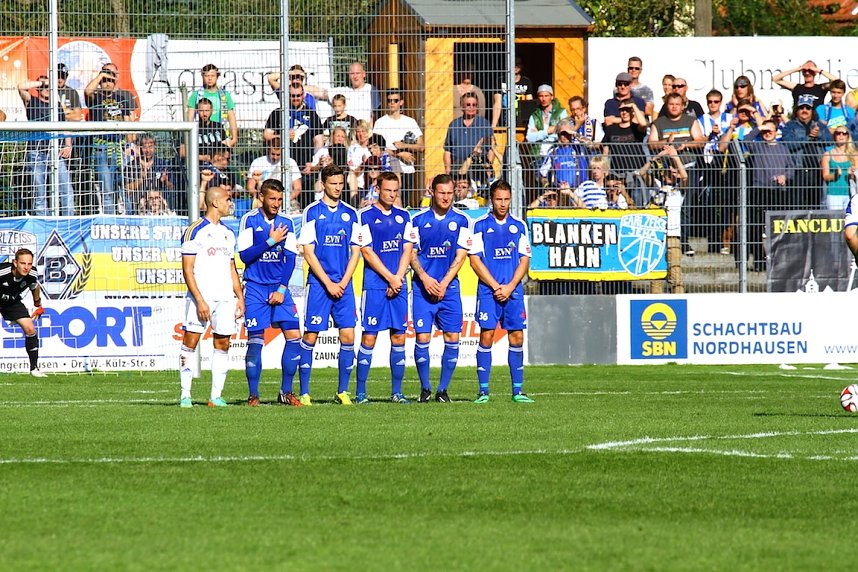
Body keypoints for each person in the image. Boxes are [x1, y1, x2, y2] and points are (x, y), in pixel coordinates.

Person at [296, 164, 361, 406]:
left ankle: (342, 391)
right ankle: (304, 392)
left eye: (341, 183)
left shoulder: (352, 214)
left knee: (348, 335)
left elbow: (356, 252)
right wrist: (328, 283)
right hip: (319, 285)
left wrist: (342, 282)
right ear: (323, 184)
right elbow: (309, 252)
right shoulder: (312, 212)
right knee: (311, 335)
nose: (337, 188)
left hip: (343, 286)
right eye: (333, 183)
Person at [237, 178, 302, 407]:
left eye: (279, 199)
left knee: (295, 337)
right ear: (261, 197)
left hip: (279, 288)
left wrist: (282, 288)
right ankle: (253, 395)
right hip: (255, 287)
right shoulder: (249, 220)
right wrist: (270, 241)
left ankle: (286, 392)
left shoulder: (287, 222)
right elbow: (244, 256)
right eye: (272, 198)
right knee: (255, 341)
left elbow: (291, 258)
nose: (276, 204)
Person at [178, 184, 245, 408]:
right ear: (215, 202)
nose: (230, 203)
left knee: (223, 343)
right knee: (190, 342)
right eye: (227, 199)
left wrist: (240, 297)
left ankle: (216, 396)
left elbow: (231, 267)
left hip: (225, 298)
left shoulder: (228, 233)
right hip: (202, 298)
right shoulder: (194, 230)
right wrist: (199, 300)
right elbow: (187, 269)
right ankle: (185, 395)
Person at [468, 179, 534, 403]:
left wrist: (509, 286)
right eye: (499, 199)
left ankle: (517, 391)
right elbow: (474, 261)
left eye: (506, 199)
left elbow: (524, 261)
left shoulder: (519, 225)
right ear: (491, 200)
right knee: (486, 335)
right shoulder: (479, 226)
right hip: (489, 291)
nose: (503, 204)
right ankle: (483, 391)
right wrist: (496, 286)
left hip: (513, 291)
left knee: (517, 336)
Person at [409, 174, 472, 402]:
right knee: (422, 337)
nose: (446, 197)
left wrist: (444, 283)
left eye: (449, 193)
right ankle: (425, 389)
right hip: (422, 288)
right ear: (431, 192)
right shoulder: (417, 220)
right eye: (441, 192)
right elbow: (411, 254)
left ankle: (443, 390)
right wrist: (425, 279)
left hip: (449, 289)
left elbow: (461, 255)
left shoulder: (463, 221)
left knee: (453, 337)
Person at [353, 172, 413, 404]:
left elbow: (407, 249)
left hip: (398, 284)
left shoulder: (404, 216)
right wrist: (390, 278)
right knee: (369, 337)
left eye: (395, 191)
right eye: (388, 190)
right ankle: (360, 393)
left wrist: (398, 278)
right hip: (375, 286)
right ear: (377, 189)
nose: (392, 194)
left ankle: (397, 392)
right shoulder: (365, 216)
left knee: (399, 337)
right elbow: (367, 251)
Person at [17, 75, 74, 216]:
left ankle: (68, 220)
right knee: (39, 191)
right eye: (44, 87)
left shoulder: (57, 106)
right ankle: (43, 222)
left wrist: (68, 145)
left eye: (50, 87)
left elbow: (64, 126)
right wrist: (42, 82)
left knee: (66, 189)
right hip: (36, 152)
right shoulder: (32, 101)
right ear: (38, 88)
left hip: (55, 152)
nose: (47, 89)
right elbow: (20, 86)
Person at [264, 82, 324, 207]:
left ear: (303, 95)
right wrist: (283, 136)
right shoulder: (278, 113)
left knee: (306, 203)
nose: (295, 98)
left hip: (304, 165)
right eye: (292, 96)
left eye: (298, 95)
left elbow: (319, 141)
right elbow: (267, 135)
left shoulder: (312, 114)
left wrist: (313, 163)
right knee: (278, 200)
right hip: (282, 164)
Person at [745, 119, 795, 270]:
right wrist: (759, 127)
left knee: (777, 227)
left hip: (778, 192)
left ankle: (778, 259)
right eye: (764, 132)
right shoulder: (758, 147)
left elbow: (791, 168)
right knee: (756, 227)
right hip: (759, 190)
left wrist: (784, 176)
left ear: (776, 132)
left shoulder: (783, 149)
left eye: (770, 131)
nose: (767, 134)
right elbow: (746, 140)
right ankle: (759, 260)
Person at [84, 66, 134, 214]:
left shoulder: (121, 98)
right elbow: (87, 91)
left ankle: (127, 218)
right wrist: (101, 76)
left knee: (122, 187)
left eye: (110, 81)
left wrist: (130, 145)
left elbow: (127, 124)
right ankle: (110, 220)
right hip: (102, 148)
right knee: (106, 189)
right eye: (104, 81)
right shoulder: (96, 98)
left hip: (120, 148)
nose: (107, 84)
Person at [639, 146, 688, 294]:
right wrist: (656, 157)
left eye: (674, 171)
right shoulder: (656, 186)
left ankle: (678, 297)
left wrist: (675, 157)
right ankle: (655, 298)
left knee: (675, 271)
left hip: (673, 235)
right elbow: (642, 173)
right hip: (656, 234)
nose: (671, 172)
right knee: (656, 272)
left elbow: (685, 177)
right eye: (669, 169)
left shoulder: (679, 191)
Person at [372, 88, 424, 208]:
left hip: (407, 169)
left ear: (401, 102)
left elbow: (421, 146)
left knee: (404, 205)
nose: (392, 103)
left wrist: (404, 146)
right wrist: (398, 154)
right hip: (387, 169)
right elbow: (376, 148)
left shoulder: (410, 122)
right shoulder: (380, 123)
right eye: (389, 100)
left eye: (395, 100)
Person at [0, 249, 47, 377]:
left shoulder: (32, 274)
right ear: (15, 263)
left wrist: (38, 304)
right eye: (23, 263)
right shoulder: (2, 272)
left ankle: (34, 369)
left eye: (29, 264)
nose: (26, 267)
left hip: (11, 302)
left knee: (30, 328)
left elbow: (34, 287)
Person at [782, 94, 833, 208]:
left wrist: (819, 135)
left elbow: (830, 140)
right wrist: (809, 137)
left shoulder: (819, 125)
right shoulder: (790, 125)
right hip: (798, 170)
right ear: (797, 110)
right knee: (796, 205)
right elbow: (788, 144)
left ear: (812, 110)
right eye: (801, 108)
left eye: (807, 108)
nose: (804, 110)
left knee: (815, 204)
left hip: (816, 170)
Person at [186, 64, 238, 148]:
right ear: (202, 77)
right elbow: (190, 119)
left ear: (217, 77)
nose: (209, 78)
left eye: (212, 76)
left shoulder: (225, 95)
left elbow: (231, 117)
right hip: (201, 136)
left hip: (221, 136)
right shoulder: (195, 95)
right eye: (206, 76)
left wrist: (234, 138)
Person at [444, 92, 495, 176]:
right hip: (458, 170)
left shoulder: (484, 124)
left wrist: (488, 167)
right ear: (462, 106)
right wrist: (447, 170)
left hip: (479, 170)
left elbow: (491, 149)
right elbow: (447, 150)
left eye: (474, 105)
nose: (471, 107)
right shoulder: (454, 125)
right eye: (468, 104)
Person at [539, 119, 590, 190]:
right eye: (563, 133)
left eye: (568, 133)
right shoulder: (553, 152)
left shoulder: (579, 148)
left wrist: (574, 133)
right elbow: (542, 174)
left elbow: (590, 144)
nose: (565, 136)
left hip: (579, 190)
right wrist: (547, 187)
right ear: (558, 134)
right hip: (561, 191)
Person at [773, 60, 837, 109]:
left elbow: (838, 82)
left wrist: (819, 70)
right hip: (798, 123)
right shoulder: (796, 87)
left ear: (815, 72)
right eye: (805, 71)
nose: (807, 73)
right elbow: (776, 79)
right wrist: (797, 69)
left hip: (816, 122)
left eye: (810, 70)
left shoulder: (821, 88)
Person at [491, 56, 534, 128]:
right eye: (513, 64)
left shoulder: (526, 81)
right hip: (504, 120)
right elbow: (497, 103)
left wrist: (531, 125)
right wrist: (494, 125)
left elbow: (529, 103)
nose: (515, 66)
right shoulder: (501, 80)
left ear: (522, 66)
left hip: (521, 122)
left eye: (518, 64)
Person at [821, 127, 858, 210]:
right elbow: (825, 176)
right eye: (838, 133)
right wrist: (835, 175)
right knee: (835, 221)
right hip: (834, 194)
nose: (841, 135)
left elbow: (857, 176)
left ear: (848, 137)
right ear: (834, 136)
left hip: (851, 194)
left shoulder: (854, 155)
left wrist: (852, 174)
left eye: (844, 133)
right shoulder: (827, 155)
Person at [626, 56, 656, 122]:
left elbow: (649, 111)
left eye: (636, 68)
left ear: (640, 70)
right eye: (631, 68)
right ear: (627, 69)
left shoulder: (647, 90)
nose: (633, 70)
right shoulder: (619, 89)